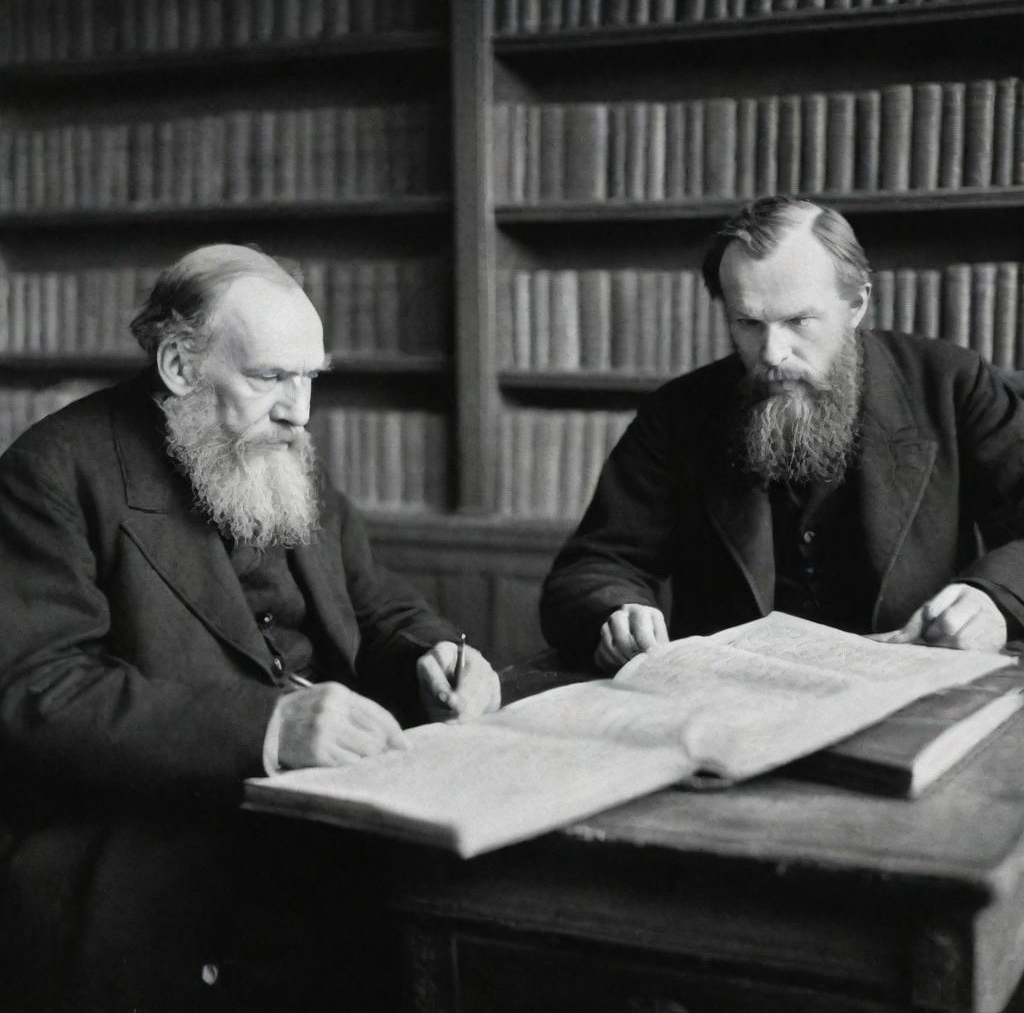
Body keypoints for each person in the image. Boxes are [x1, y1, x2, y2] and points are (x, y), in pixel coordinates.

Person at [0, 244, 500, 1012]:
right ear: (177, 364)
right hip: (148, 841)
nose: (299, 410)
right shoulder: (54, 472)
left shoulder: (281, 450)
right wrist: (268, 728)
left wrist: (434, 654)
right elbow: (38, 692)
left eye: (309, 378)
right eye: (270, 377)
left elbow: (373, 600)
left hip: (322, 823)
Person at [541, 196, 1024, 673]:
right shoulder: (678, 411)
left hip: (912, 683)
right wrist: (614, 612)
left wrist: (993, 600)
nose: (772, 353)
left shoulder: (951, 384)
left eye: (798, 321)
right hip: (738, 700)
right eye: (748, 323)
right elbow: (593, 567)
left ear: (856, 304)